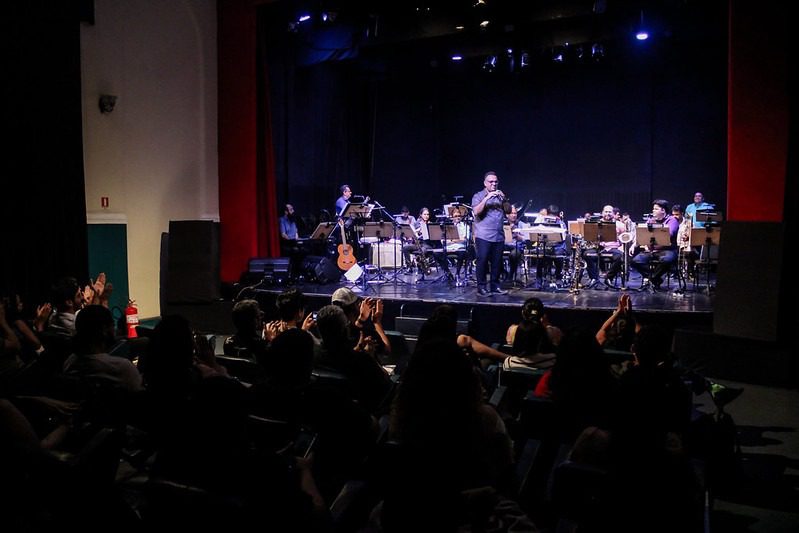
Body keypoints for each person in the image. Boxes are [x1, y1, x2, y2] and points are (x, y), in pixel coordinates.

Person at [471, 171, 510, 296]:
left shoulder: (500, 196)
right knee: (482, 261)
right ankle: (481, 287)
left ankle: (495, 286)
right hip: (484, 235)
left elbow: (508, 211)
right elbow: (476, 211)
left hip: (498, 235)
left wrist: (504, 199)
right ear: (485, 183)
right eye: (491, 181)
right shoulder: (478, 195)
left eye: (495, 181)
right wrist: (487, 198)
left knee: (497, 262)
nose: (494, 184)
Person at [631, 199, 680, 290]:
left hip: (667, 250)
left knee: (666, 260)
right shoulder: (651, 220)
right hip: (652, 250)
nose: (653, 211)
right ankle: (655, 279)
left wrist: (656, 228)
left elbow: (669, 234)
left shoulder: (672, 220)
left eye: (656, 209)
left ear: (663, 210)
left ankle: (651, 280)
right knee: (635, 261)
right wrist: (634, 244)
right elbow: (642, 232)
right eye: (653, 209)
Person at [582, 204, 626, 289]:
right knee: (586, 254)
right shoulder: (595, 224)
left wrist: (622, 248)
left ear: (613, 213)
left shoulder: (620, 225)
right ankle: (594, 278)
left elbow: (624, 238)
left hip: (613, 249)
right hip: (599, 248)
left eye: (610, 212)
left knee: (621, 257)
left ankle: (609, 278)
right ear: (602, 213)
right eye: (606, 211)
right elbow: (590, 237)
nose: (607, 213)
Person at [279, 203, 306, 279]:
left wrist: (297, 238)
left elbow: (296, 232)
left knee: (305, 250)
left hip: (295, 242)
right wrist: (292, 241)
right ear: (286, 212)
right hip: (287, 243)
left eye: (293, 209)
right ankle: (293, 274)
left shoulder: (293, 220)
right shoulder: (282, 220)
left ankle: (301, 273)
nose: (293, 211)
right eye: (291, 210)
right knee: (296, 251)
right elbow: (283, 234)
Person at [503, 205, 528, 282]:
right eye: (512, 213)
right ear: (507, 215)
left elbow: (527, 239)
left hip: (516, 247)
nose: (514, 215)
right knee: (492, 252)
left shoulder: (522, 224)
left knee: (514, 254)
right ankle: (503, 272)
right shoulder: (502, 224)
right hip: (504, 245)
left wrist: (519, 236)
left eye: (515, 213)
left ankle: (511, 274)